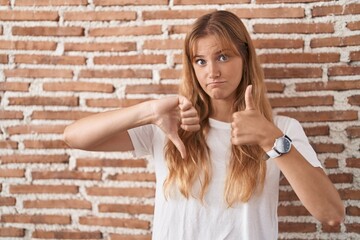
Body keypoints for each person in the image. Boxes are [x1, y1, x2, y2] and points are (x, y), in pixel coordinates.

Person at [64, 10, 344, 240]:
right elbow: (75, 137)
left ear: (244, 58)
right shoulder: (170, 124)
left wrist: (270, 139)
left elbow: (331, 214)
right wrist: (148, 111)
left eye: (223, 56)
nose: (212, 72)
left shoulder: (282, 128)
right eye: (201, 61)